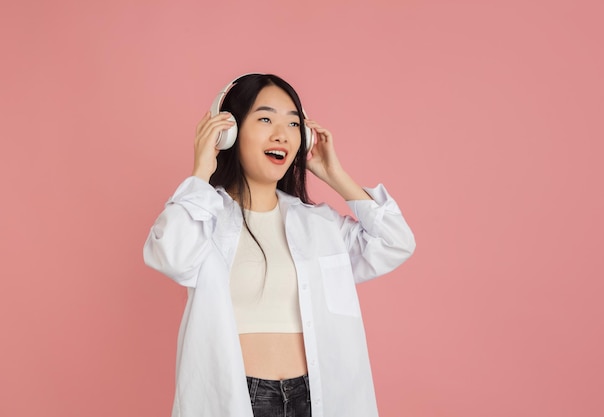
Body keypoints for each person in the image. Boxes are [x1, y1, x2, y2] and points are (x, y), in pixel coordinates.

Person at [143, 73, 415, 417]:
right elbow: (170, 255)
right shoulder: (205, 215)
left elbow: (396, 241)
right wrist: (201, 170)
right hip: (239, 398)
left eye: (293, 124)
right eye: (266, 118)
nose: (281, 134)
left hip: (317, 397)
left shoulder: (319, 224)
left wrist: (335, 175)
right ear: (229, 133)